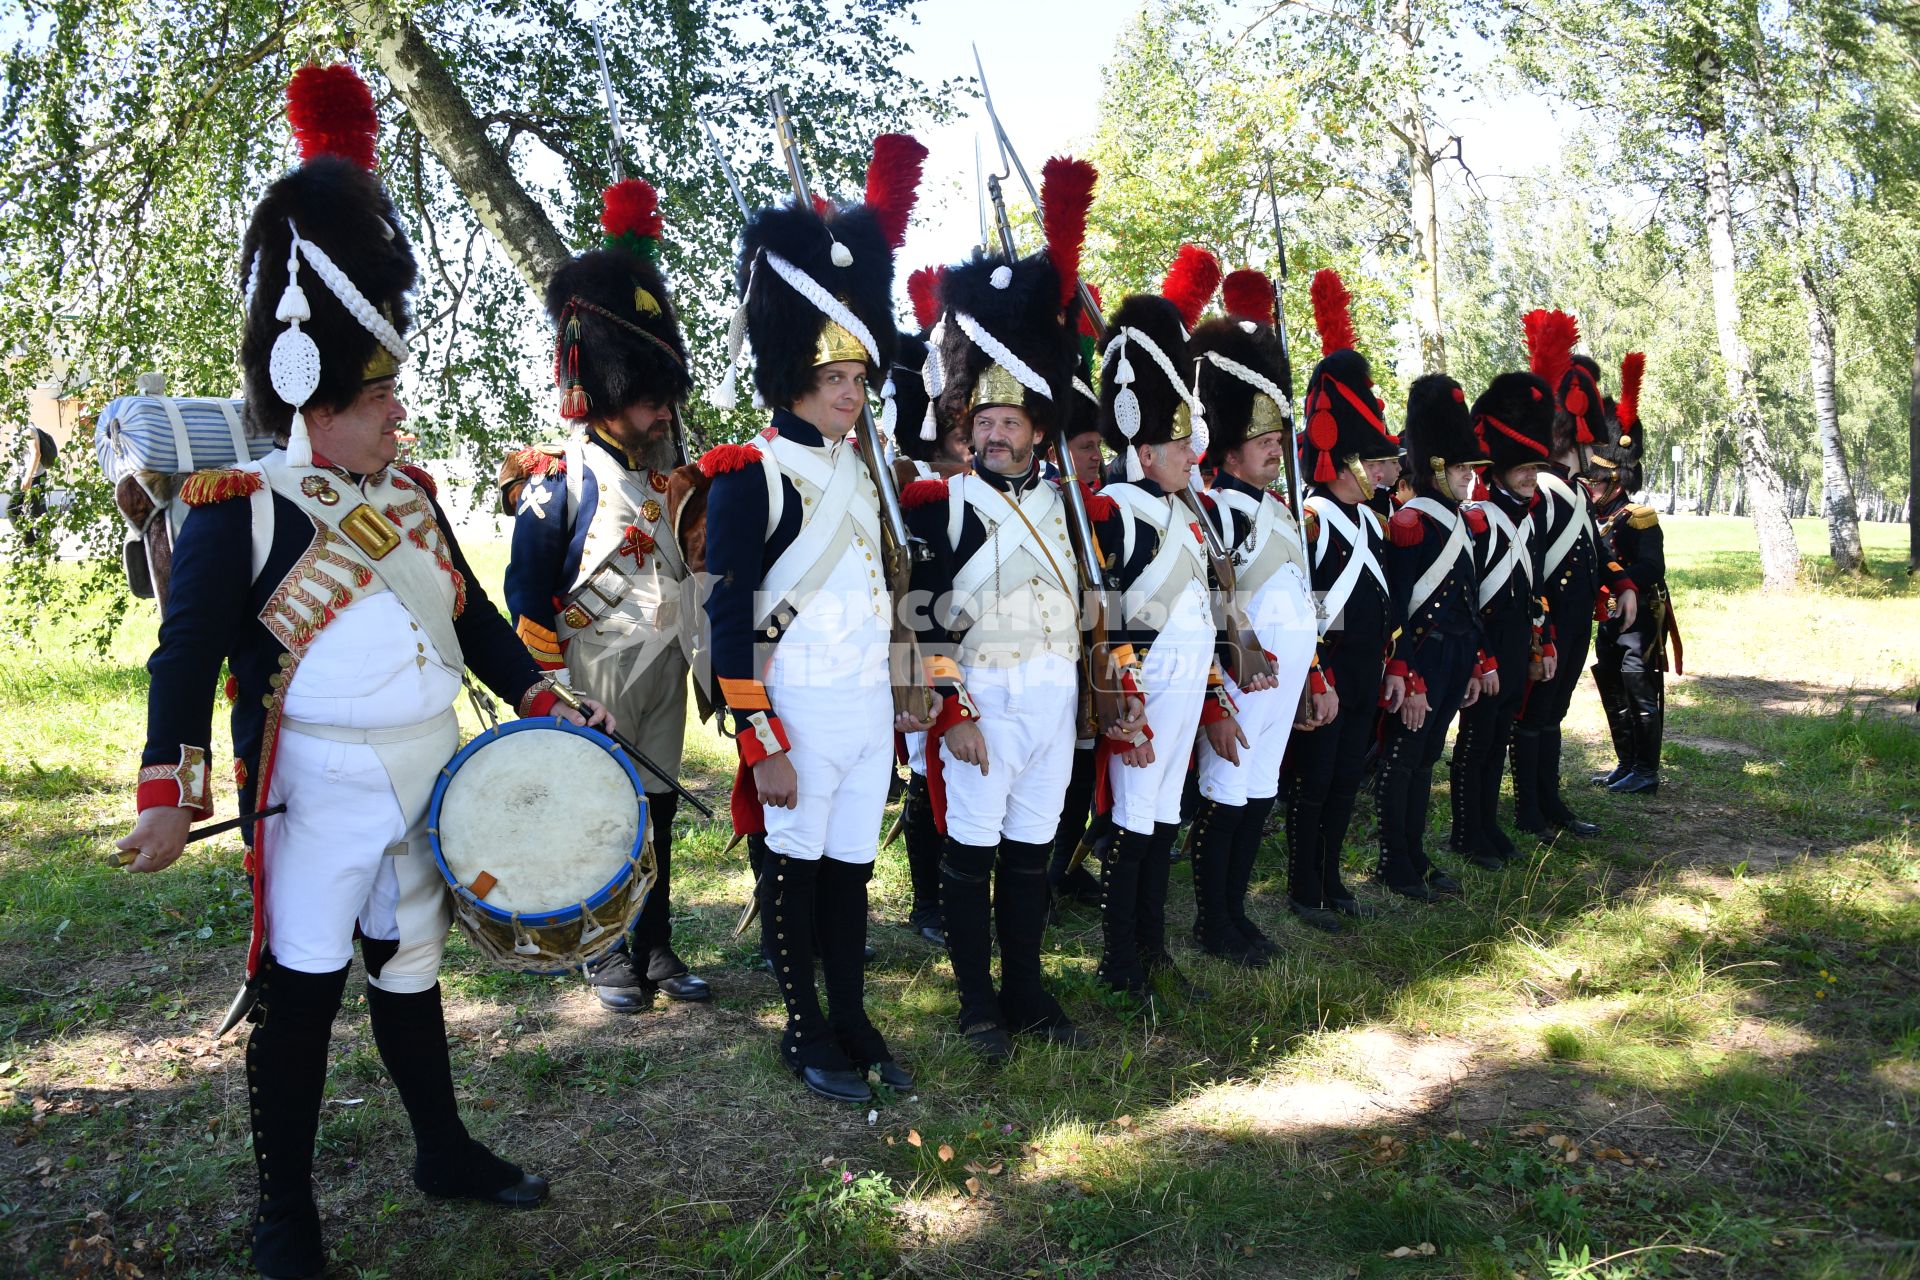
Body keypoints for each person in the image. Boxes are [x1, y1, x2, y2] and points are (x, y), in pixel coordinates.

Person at [113, 65, 612, 1280]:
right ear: (314, 390)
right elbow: (184, 653)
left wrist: (545, 696)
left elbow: (476, 619)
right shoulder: (242, 505)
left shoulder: (414, 495)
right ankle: (287, 1211)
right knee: (300, 992)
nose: (401, 410)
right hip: (314, 788)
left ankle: (440, 1144)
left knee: (414, 965)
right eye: (381, 390)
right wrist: (164, 789)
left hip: (428, 767)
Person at [701, 134, 933, 1104]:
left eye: (859, 380)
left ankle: (853, 1013)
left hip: (861, 708)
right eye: (837, 378)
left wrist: (915, 674)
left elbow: (891, 586)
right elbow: (727, 618)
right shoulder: (746, 472)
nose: (852, 392)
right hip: (793, 706)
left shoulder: (868, 473)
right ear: (795, 374)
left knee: (847, 875)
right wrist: (760, 736)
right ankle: (805, 1029)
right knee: (793, 878)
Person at [901, 163, 1099, 1057]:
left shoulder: (1073, 508)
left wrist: (1116, 683)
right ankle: (977, 1000)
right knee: (971, 854)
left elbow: (1105, 610)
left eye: (1010, 423)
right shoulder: (939, 505)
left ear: (1039, 429)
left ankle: (1027, 988)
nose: (993, 433)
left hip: (1054, 696)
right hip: (981, 697)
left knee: (1030, 852)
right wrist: (949, 704)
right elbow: (922, 612)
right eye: (982, 421)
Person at [503, 177, 709, 1011]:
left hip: (662, 672)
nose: (665, 412)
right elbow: (525, 596)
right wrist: (553, 690)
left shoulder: (674, 477)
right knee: (604, 816)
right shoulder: (562, 480)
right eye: (652, 397)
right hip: (594, 679)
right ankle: (604, 952)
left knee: (656, 815)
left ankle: (652, 943)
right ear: (614, 394)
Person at [1087, 245, 1248, 1000]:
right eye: (1181, 443)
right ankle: (1122, 957)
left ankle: (1151, 949)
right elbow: (1104, 614)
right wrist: (1123, 701)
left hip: (1184, 683)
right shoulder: (1117, 512)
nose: (1195, 453)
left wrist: (1214, 687)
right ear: (1144, 448)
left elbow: (1200, 616)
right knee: (1131, 820)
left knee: (1161, 818)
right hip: (1141, 688)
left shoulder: (1189, 513)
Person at [1186, 269, 1326, 963]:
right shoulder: (1215, 509)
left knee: (1256, 797)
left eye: (1279, 438)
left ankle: (1235, 913)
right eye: (1262, 438)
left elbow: (1302, 602)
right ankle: (1212, 921)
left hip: (1284, 681)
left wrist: (1311, 676)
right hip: (1240, 682)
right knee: (1224, 796)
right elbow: (1213, 602)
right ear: (1231, 444)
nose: (1276, 448)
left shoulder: (1280, 511)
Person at [1282, 270, 1401, 930]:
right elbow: (1306, 607)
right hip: (1326, 672)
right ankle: (1304, 888)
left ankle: (1330, 878)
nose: (1384, 472)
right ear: (1350, 461)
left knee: (1345, 786)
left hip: (1364, 673)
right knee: (1314, 785)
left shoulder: (1372, 521)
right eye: (1375, 462)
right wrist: (1316, 674)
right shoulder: (1315, 517)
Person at [1512, 317, 1636, 837]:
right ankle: (1530, 810)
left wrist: (1621, 582)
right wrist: (1541, 635)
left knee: (1553, 714)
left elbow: (1589, 552)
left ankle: (1550, 801)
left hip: (1569, 621)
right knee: (1536, 716)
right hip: (1547, 625)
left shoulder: (1570, 488)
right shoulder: (1543, 488)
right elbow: (1530, 569)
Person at [1375, 375, 1487, 899]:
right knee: (1402, 760)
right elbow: (1398, 610)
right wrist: (1411, 673)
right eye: (1463, 468)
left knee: (1425, 762)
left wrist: (1474, 660)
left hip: (1454, 656)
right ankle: (1394, 859)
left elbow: (1468, 599)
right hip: (1421, 659)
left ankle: (1415, 853)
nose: (1470, 479)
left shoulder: (1461, 522)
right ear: (1438, 467)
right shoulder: (1411, 522)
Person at [1448, 372, 1557, 869]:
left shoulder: (1527, 518)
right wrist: (1479, 658)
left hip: (1516, 647)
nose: (1531, 474)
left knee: (1497, 742)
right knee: (1475, 743)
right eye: (1523, 466)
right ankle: (1467, 832)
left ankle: (1489, 824)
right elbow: (1466, 598)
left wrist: (1543, 644)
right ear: (1501, 467)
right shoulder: (1478, 518)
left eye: (1535, 465)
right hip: (1486, 647)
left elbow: (1535, 592)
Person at [890, 264, 970, 945]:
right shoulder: (905, 477)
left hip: (981, 638)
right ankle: (926, 901)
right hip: (919, 635)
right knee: (925, 765)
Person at [1586, 353, 1677, 795]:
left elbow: (1651, 568)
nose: (1589, 487)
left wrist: (1616, 579)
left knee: (1641, 693)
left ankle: (1647, 770)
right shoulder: (1596, 517)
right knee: (1612, 687)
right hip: (1608, 615)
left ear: (1616, 481)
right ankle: (1626, 763)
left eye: (1596, 482)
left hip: (1639, 618)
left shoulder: (1638, 516)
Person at [1046, 324, 1111, 908]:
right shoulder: (1054, 506)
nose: (1097, 456)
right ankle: (1044, 871)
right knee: (1061, 778)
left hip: (1101, 656)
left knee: (1085, 779)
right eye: (1087, 446)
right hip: (1061, 658)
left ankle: (1065, 865)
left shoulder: (1106, 505)